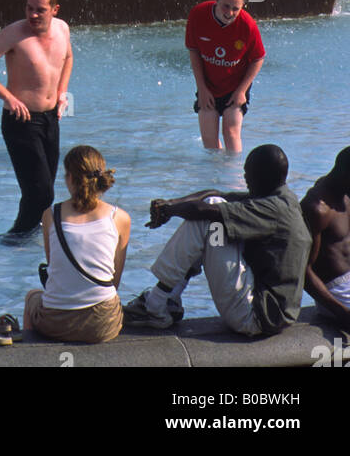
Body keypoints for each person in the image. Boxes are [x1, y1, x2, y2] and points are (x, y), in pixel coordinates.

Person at [124, 143, 311, 335]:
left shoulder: (273, 209)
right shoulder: (282, 199)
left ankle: (155, 305)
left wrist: (170, 211)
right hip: (269, 314)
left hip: (255, 315)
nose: (245, 178)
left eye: (248, 173)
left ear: (262, 176)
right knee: (217, 218)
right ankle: (167, 296)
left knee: (211, 218)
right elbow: (216, 193)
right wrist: (171, 203)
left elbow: (206, 208)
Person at [0, 0, 73, 239]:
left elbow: (68, 58)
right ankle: (14, 240)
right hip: (21, 121)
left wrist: (62, 93)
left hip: (51, 118)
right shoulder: (14, 34)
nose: (33, 15)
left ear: (55, 10)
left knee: (44, 191)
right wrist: (8, 97)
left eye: (40, 10)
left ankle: (27, 241)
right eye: (29, 8)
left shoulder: (62, 29)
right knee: (41, 193)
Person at [16, 146, 129, 345]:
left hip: (54, 323)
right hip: (102, 325)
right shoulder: (120, 218)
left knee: (32, 296)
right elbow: (114, 280)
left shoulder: (51, 215)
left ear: (69, 178)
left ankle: (30, 352)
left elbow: (53, 267)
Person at [185, 0, 265, 154]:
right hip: (208, 85)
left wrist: (241, 91)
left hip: (235, 86)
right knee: (209, 141)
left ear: (243, 6)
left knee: (231, 132)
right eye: (225, 6)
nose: (229, 13)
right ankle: (215, 177)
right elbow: (193, 51)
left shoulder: (247, 25)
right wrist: (202, 89)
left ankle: (234, 177)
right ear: (216, 0)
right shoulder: (198, 14)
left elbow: (258, 59)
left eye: (236, 8)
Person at [301, 146, 350, 329]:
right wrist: (341, 312)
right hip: (337, 292)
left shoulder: (345, 193)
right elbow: (303, 271)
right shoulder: (317, 209)